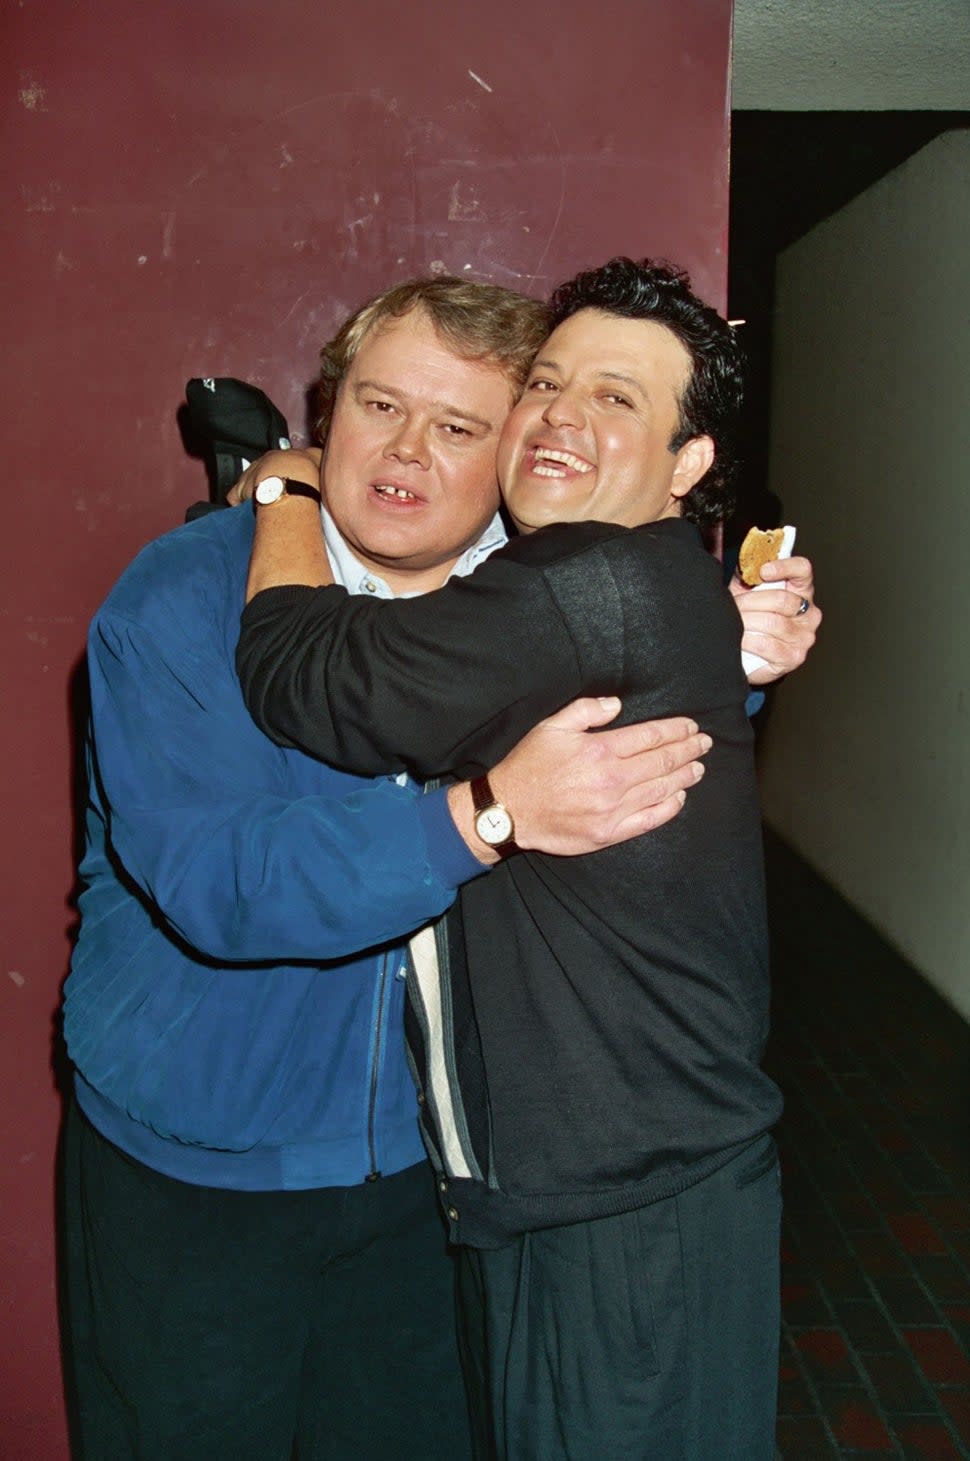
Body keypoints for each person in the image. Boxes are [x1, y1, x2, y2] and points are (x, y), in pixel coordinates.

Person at [62, 277, 734, 1461]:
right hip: (200, 1168)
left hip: (430, 1180)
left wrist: (747, 641)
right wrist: (482, 815)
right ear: (327, 410)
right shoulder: (184, 598)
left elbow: (634, 718)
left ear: (511, 450)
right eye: (379, 406)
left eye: (460, 426)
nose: (404, 454)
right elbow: (229, 881)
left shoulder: (524, 591)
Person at [236, 257, 814, 1461]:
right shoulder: (635, 584)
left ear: (689, 465)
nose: (560, 415)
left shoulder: (587, 577)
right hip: (623, 1185)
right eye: (547, 384)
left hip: (624, 1207)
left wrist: (280, 491)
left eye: (617, 398)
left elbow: (315, 680)